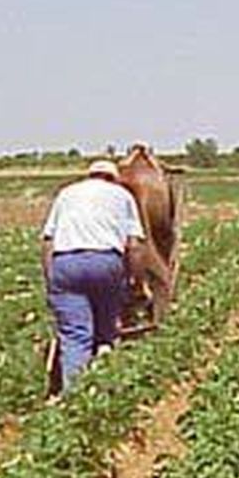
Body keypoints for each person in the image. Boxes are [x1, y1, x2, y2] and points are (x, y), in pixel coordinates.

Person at [40, 159, 145, 389]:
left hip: (65, 263)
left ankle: (74, 392)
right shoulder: (122, 195)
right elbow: (134, 245)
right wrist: (136, 281)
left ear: (90, 175)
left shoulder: (66, 193)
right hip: (105, 262)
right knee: (106, 328)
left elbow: (48, 241)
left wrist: (51, 280)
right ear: (113, 178)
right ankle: (104, 377)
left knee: (75, 336)